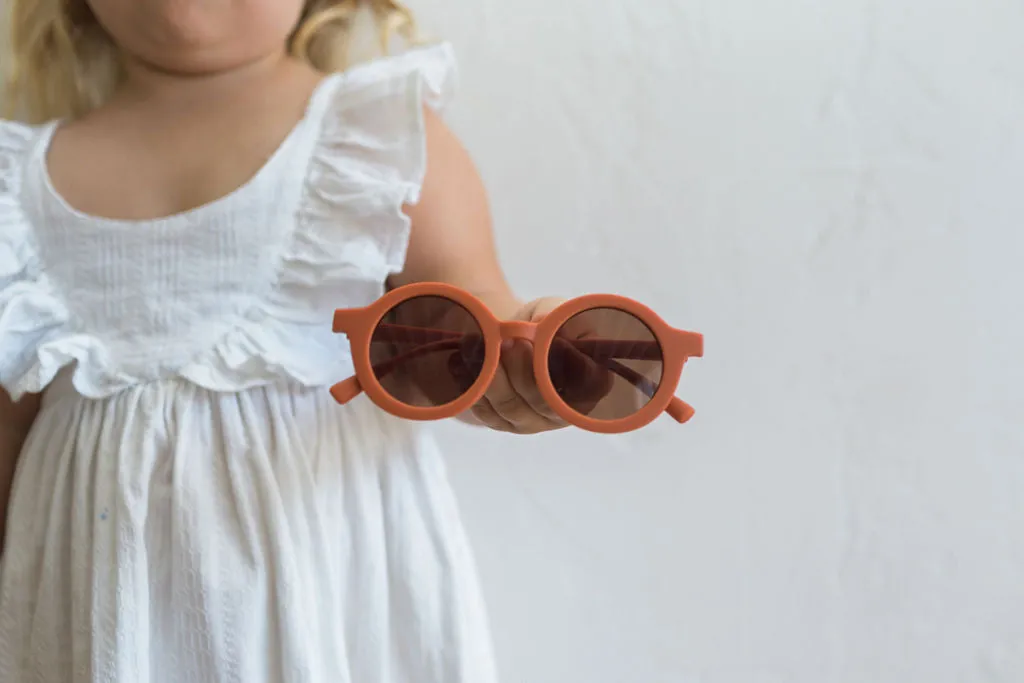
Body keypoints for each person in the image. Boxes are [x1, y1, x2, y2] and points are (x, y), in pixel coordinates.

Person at [0, 1, 572, 680]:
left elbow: (469, 315)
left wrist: (526, 356)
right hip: (96, 620)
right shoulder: (17, 182)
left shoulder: (376, 135)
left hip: (327, 600)